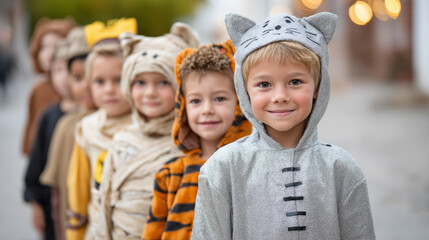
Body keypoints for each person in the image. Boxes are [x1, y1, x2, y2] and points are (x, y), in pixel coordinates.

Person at [191, 12, 375, 239]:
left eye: (295, 82)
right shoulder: (222, 169)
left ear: (318, 86)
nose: (280, 96)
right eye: (264, 84)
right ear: (244, 89)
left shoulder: (342, 169)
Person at [143, 40, 252, 240]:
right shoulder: (170, 174)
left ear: (239, 103)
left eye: (219, 98)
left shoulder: (249, 169)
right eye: (195, 101)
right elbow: (153, 232)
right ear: (183, 107)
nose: (207, 109)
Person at [99, 22, 199, 240]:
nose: (150, 93)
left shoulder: (191, 143)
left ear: (180, 87)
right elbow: (104, 202)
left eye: (163, 82)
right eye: (141, 83)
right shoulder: (121, 140)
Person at [65, 18, 137, 240]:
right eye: (99, 82)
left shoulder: (147, 128)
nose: (109, 90)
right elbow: (77, 192)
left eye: (118, 80)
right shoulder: (86, 130)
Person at [39, 26, 95, 240]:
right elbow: (56, 193)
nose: (87, 85)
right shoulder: (65, 126)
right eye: (78, 77)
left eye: (94, 76)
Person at [24, 39, 77, 240]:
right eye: (58, 71)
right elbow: (36, 163)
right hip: (50, 201)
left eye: (71, 72)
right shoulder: (48, 116)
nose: (64, 78)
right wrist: (35, 203)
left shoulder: (91, 117)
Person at [22, 17, 76, 156]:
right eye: (43, 47)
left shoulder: (77, 87)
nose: (50, 53)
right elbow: (31, 129)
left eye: (56, 45)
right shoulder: (38, 90)